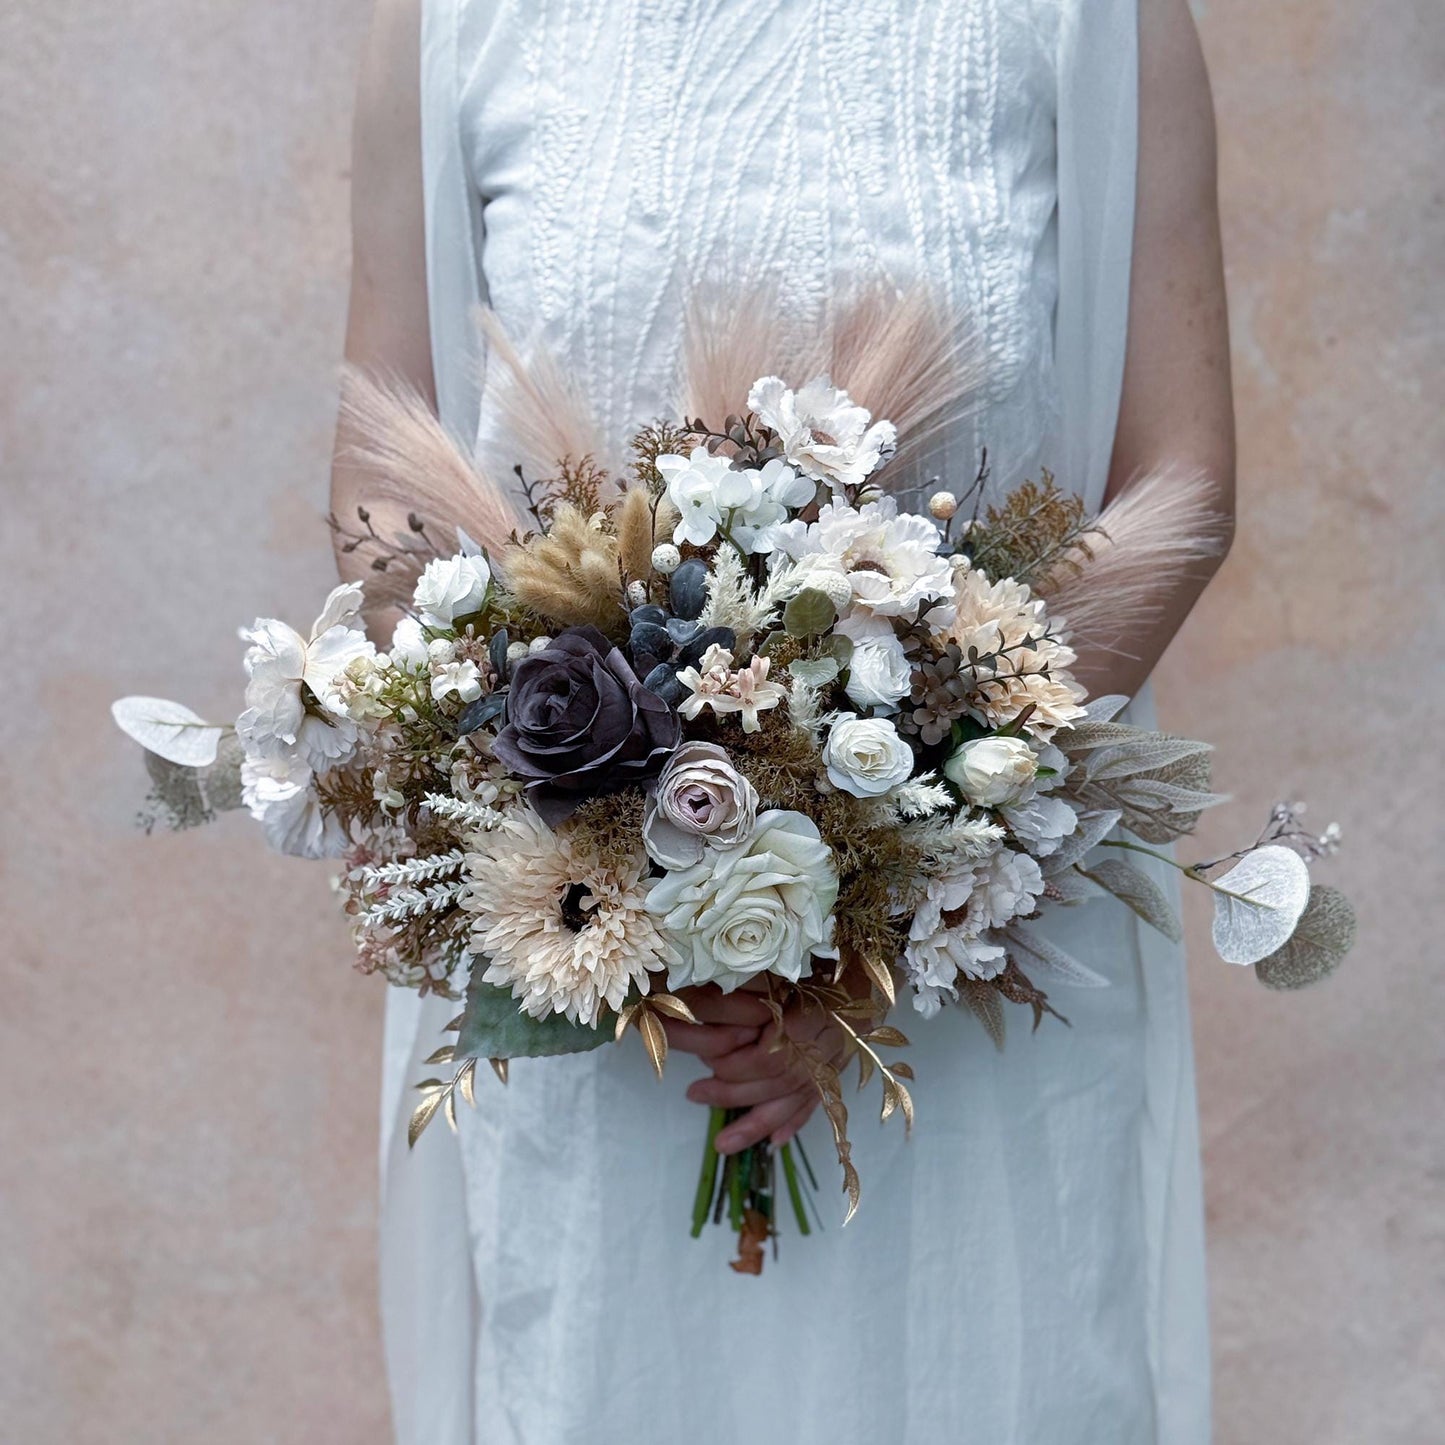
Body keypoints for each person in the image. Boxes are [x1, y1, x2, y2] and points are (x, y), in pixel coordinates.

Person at [331, 2, 1235, 1441]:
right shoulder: (453, 23)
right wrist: (640, 885)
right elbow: (385, 478)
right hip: (609, 1017)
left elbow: (1177, 493)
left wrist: (885, 896)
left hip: (976, 987)